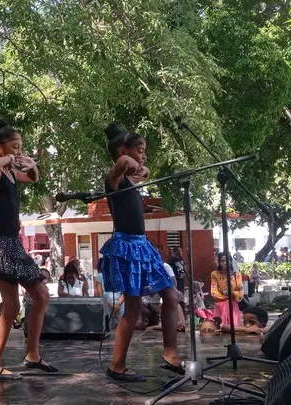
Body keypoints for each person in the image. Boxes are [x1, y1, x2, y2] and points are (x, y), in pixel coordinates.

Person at [0, 119, 56, 380]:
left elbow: (32, 178)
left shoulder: (10, 173)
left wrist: (31, 166)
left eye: (21, 146)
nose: (19, 151)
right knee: (12, 304)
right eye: (15, 147)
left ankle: (32, 355)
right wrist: (8, 159)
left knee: (40, 295)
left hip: (13, 243)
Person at [98, 123, 182, 382]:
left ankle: (170, 353)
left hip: (142, 245)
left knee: (171, 294)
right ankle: (117, 365)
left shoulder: (130, 179)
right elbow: (125, 163)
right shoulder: (114, 178)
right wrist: (133, 162)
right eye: (140, 150)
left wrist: (141, 166)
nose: (144, 156)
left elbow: (143, 169)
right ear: (123, 150)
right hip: (125, 247)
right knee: (133, 307)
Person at [211, 252, 243, 327]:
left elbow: (240, 293)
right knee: (220, 328)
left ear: (231, 261)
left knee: (234, 328)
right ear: (219, 262)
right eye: (222, 261)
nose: (225, 263)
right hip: (220, 306)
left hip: (233, 305)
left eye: (227, 260)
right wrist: (226, 297)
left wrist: (231, 294)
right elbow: (214, 292)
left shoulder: (237, 275)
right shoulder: (215, 274)